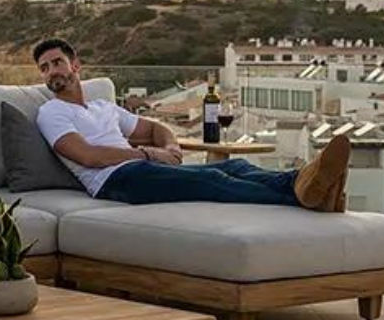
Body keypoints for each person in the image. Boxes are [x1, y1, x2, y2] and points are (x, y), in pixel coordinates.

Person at [31, 38, 350, 211]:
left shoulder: (103, 106)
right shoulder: (51, 112)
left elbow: (154, 129)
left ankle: (302, 179)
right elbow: (88, 157)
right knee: (212, 178)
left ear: (75, 65)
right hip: (114, 180)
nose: (51, 71)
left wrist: (171, 148)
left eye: (57, 62)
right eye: (44, 68)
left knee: (235, 166)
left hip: (138, 168)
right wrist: (148, 154)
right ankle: (302, 199)